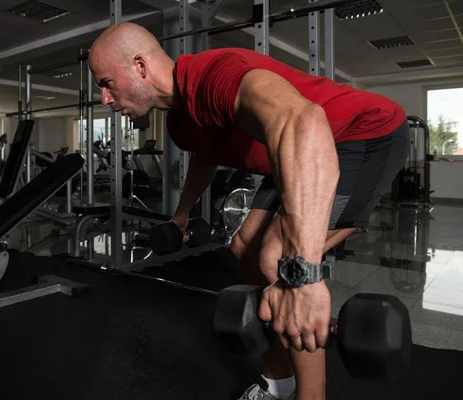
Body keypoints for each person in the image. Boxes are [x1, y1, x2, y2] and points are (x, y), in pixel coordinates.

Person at [88, 22, 410, 400]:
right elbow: (204, 161)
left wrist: (303, 275)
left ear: (140, 66)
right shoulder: (178, 121)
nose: (106, 100)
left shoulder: (216, 75)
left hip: (361, 133)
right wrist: (182, 215)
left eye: (107, 83)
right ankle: (278, 382)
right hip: (293, 152)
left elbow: (303, 122)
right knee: (243, 246)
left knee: (278, 258)